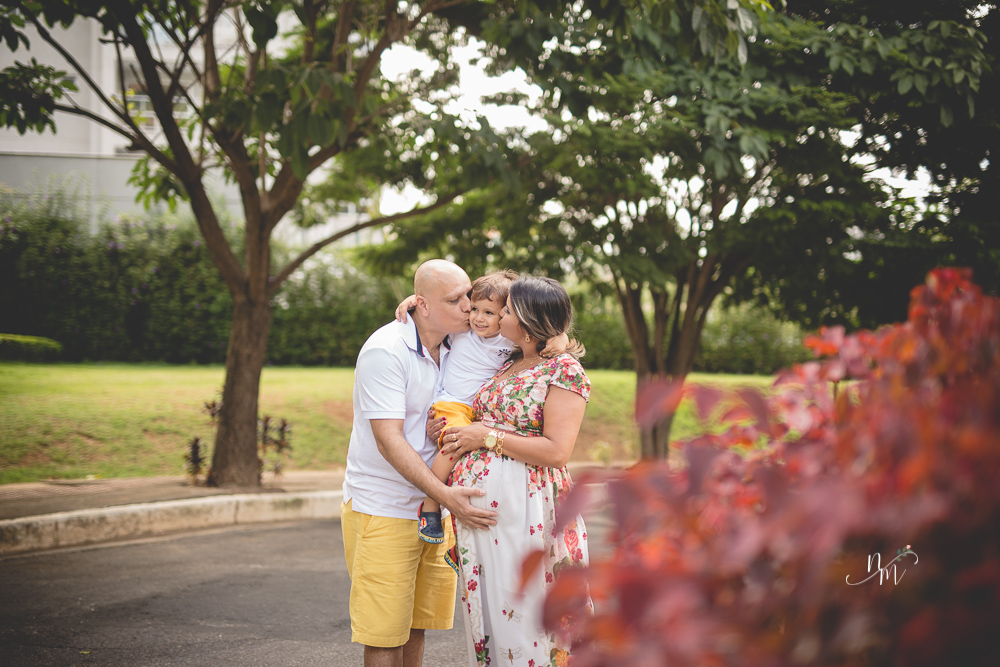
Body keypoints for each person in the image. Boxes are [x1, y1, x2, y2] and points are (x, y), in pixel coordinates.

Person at [341, 258, 498, 667]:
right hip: (385, 509)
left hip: (434, 509)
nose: (469, 305)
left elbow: (520, 310)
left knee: (415, 627)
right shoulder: (386, 350)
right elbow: (388, 440)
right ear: (422, 305)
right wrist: (444, 495)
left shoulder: (460, 340)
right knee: (384, 635)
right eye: (456, 299)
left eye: (469, 295)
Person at [437, 276, 592, 667]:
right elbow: (481, 292)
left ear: (526, 321)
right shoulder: (508, 360)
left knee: (527, 610)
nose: (497, 314)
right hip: (487, 517)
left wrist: (485, 437)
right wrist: (413, 301)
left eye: (506, 310)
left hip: (529, 512)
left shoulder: (563, 370)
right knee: (495, 610)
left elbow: (557, 451)